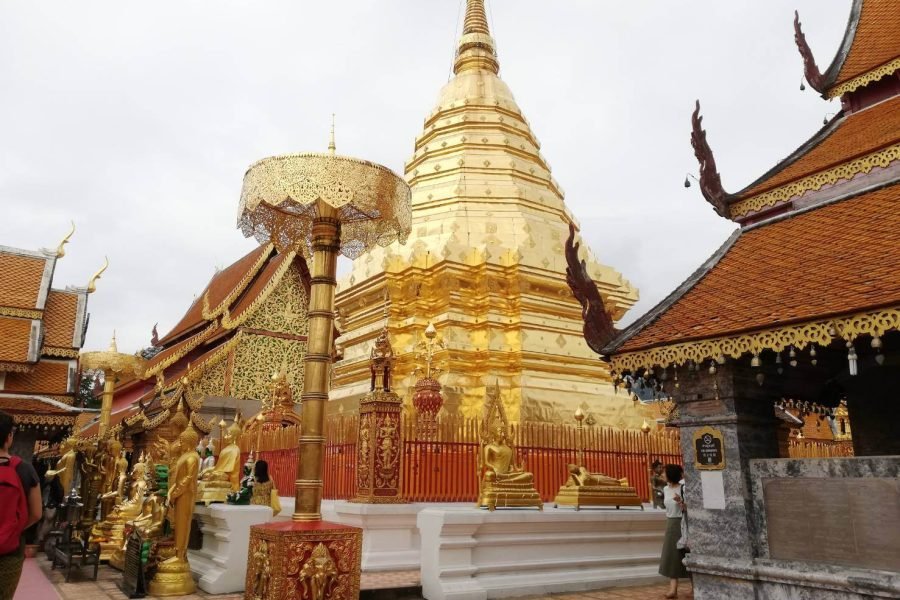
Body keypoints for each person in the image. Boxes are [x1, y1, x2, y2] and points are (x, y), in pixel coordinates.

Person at [0, 410, 43, 600]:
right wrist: (13, 528)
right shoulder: (24, 469)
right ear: (9, 437)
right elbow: (36, 513)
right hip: (11, 548)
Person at [658, 463, 688, 599]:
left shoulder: (684, 488)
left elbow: (689, 508)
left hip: (682, 523)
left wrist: (681, 502)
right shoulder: (665, 489)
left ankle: (696, 585)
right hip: (671, 523)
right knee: (672, 556)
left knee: (686, 554)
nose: (662, 475)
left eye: (664, 473)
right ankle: (673, 589)